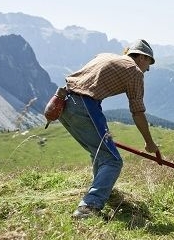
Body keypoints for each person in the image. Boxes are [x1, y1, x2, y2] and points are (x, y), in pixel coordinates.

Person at [58, 39, 160, 219]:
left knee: (99, 153)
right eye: (149, 63)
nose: (148, 69)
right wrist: (149, 142)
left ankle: (104, 192)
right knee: (113, 161)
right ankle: (89, 208)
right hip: (85, 106)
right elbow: (137, 112)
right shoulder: (134, 71)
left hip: (62, 104)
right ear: (142, 57)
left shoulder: (104, 55)